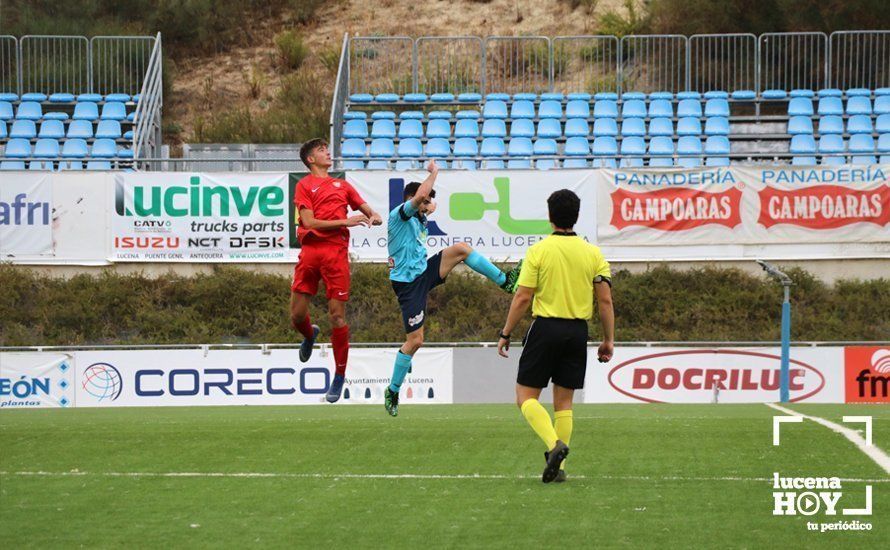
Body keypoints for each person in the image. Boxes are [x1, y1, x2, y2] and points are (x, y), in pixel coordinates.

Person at [385, 160, 524, 416]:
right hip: (408, 285)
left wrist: (428, 205)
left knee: (461, 249)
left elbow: (428, 201)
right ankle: (393, 390)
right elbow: (422, 196)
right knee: (415, 341)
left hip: (423, 272)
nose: (428, 206)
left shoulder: (419, 219)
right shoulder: (399, 215)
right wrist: (434, 172)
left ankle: (506, 281)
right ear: (413, 200)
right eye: (424, 203)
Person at [497, 189, 615, 483]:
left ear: (550, 217)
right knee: (564, 404)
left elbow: (523, 297)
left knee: (525, 396)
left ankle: (554, 446)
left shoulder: (539, 250)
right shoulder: (593, 253)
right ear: (576, 216)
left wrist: (506, 332)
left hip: (546, 328)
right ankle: (559, 469)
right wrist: (608, 339)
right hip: (577, 332)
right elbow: (605, 301)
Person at [291, 138, 383, 403]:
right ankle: (310, 334)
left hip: (335, 254)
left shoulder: (343, 186)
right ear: (310, 160)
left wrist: (373, 215)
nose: (327, 153)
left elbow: (366, 209)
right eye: (321, 150)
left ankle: (339, 375)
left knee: (337, 317)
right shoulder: (304, 185)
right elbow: (307, 221)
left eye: (326, 149)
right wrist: (347, 221)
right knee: (297, 316)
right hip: (310, 253)